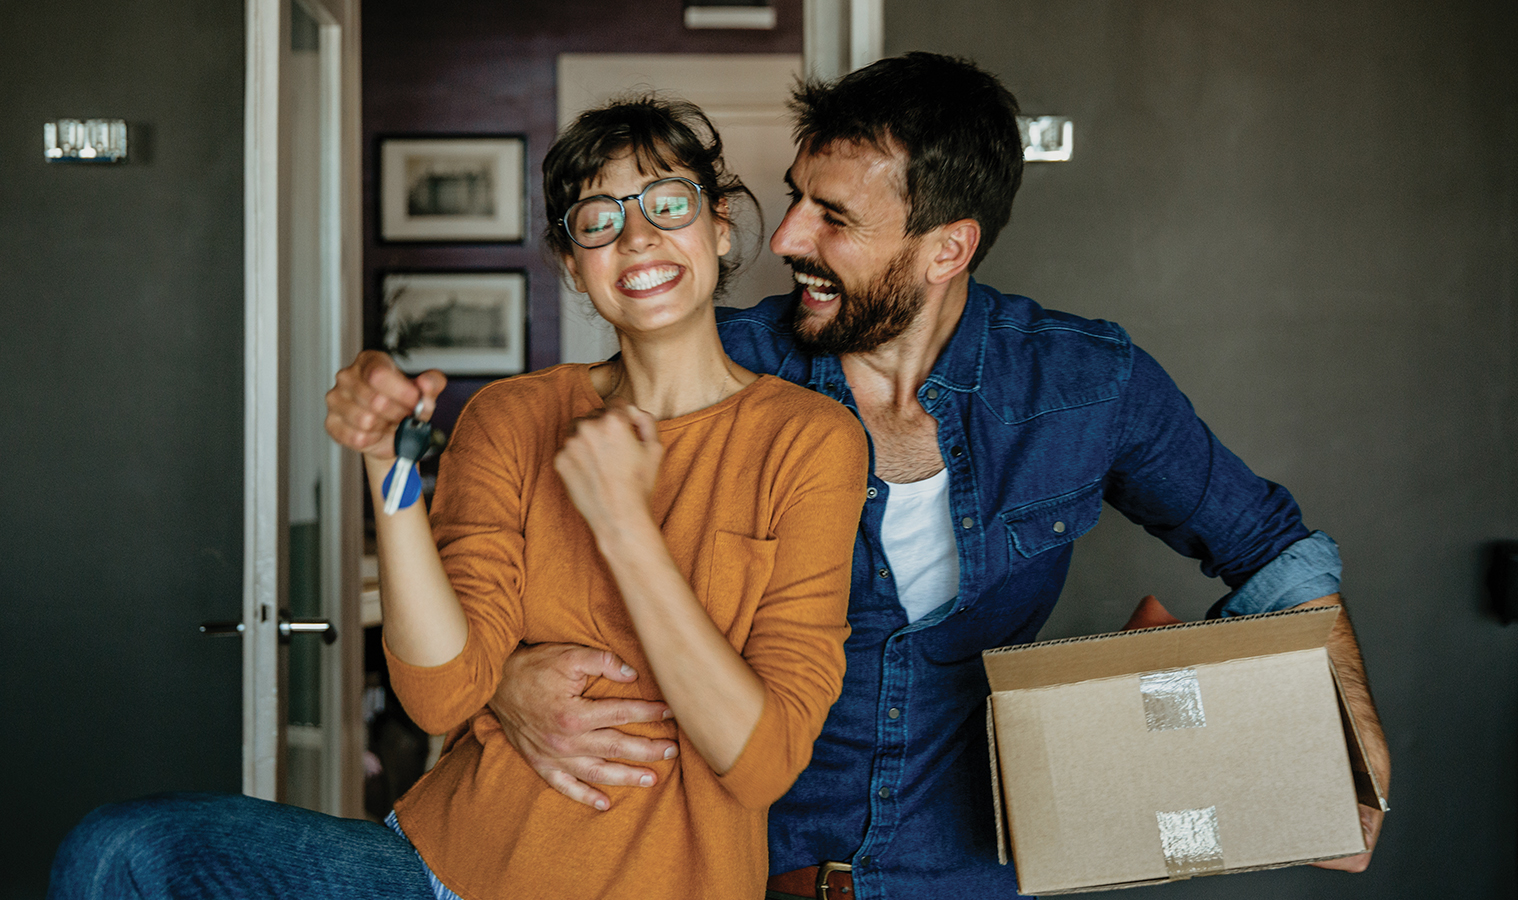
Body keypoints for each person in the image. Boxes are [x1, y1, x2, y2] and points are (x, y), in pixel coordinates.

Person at [486, 53, 1392, 899]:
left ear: (946, 248)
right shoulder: (719, 368)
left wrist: (1355, 768)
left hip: (970, 877)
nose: (789, 235)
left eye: (833, 217)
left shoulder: (1084, 383)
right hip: (729, 874)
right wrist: (502, 682)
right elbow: (521, 563)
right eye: (799, 198)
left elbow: (1274, 551)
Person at [47, 97, 868, 900]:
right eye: (599, 218)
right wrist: (385, 463)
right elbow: (440, 691)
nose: (638, 236)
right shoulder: (512, 416)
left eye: (666, 203)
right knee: (120, 849)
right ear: (572, 262)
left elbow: (761, 761)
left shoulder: (809, 440)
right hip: (441, 870)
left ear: (719, 223)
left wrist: (626, 528)